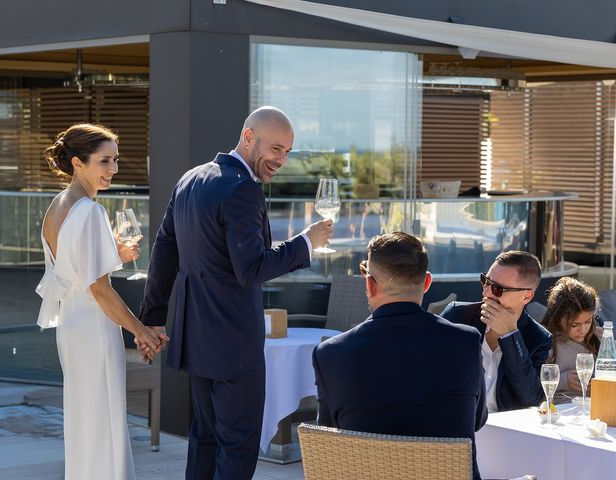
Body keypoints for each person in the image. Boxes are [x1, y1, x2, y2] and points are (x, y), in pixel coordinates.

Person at [138, 106, 333, 480]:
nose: (281, 159)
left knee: (205, 439)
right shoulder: (243, 189)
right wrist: (306, 244)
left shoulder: (191, 179)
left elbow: (164, 252)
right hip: (233, 346)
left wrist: (153, 318)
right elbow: (253, 269)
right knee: (238, 445)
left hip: (196, 339)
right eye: (275, 148)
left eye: (288, 152)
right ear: (248, 138)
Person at [36, 123, 165, 479]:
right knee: (104, 420)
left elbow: (74, 271)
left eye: (116, 160)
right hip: (93, 327)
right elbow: (100, 290)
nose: (114, 169)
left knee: (85, 420)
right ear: (78, 163)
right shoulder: (91, 211)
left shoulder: (58, 205)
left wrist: (114, 255)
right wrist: (141, 331)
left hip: (72, 327)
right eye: (105, 161)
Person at [313, 232, 487, 480]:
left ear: (370, 284)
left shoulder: (331, 353)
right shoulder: (465, 342)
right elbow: (476, 420)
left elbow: (329, 438)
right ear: (427, 283)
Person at [441, 250, 552, 412]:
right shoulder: (457, 316)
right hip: (455, 422)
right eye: (485, 281)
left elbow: (532, 398)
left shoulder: (538, 338)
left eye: (498, 289)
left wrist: (511, 337)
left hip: (504, 432)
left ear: (527, 296)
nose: (486, 292)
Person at [541, 276, 602, 403]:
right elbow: (530, 384)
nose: (583, 330)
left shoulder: (599, 337)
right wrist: (563, 380)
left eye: (588, 322)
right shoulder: (546, 341)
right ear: (558, 319)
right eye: (574, 325)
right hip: (560, 408)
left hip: (595, 405)